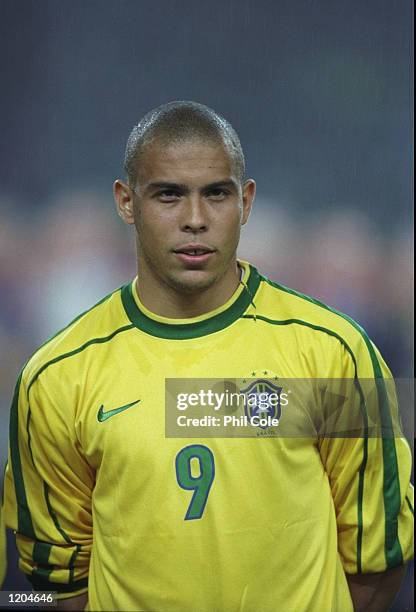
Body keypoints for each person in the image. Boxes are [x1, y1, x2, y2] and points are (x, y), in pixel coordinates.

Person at [4, 101, 413, 612]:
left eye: (216, 194)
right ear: (126, 203)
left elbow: (379, 556)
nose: (195, 219)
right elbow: (58, 578)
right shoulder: (57, 377)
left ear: (245, 201)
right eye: (169, 195)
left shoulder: (334, 354)